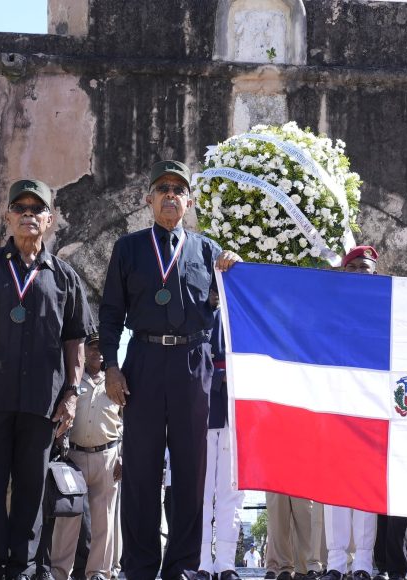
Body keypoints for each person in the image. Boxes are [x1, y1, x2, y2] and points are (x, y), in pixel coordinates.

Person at [0, 179, 94, 580]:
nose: (28, 215)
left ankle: (23, 570)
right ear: (7, 216)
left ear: (49, 219)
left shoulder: (64, 277)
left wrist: (72, 395)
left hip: (41, 403)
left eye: (36, 209)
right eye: (20, 208)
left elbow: (75, 342)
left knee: (32, 491)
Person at [99, 160, 240, 580]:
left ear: (189, 201)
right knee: (140, 467)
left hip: (193, 365)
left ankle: (181, 563)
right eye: (162, 188)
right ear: (148, 199)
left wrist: (235, 267)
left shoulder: (208, 250)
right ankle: (139, 565)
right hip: (142, 359)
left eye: (178, 189)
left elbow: (234, 305)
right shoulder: (128, 248)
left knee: (190, 468)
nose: (170, 195)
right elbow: (109, 312)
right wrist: (111, 366)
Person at [315, 247, 381, 580]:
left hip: (372, 409)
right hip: (337, 406)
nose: (359, 272)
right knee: (335, 489)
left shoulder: (387, 310)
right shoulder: (330, 312)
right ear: (344, 273)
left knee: (366, 488)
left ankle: (364, 563)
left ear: (375, 272)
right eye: (352, 267)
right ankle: (337, 563)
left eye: (365, 268)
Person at [51, 332, 123, 580]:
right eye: (93, 348)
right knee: (68, 517)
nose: (98, 353)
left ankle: (98, 572)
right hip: (76, 457)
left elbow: (127, 421)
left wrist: (123, 455)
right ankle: (59, 571)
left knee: (104, 519)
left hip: (108, 456)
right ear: (87, 351)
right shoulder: (75, 381)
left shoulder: (116, 380)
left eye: (102, 348)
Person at [198, 293, 244, 580]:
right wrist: (221, 378)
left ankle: (226, 563)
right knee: (200, 495)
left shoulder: (246, 318)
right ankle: (202, 561)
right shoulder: (201, 318)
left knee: (233, 496)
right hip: (204, 414)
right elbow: (191, 362)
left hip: (238, 418)